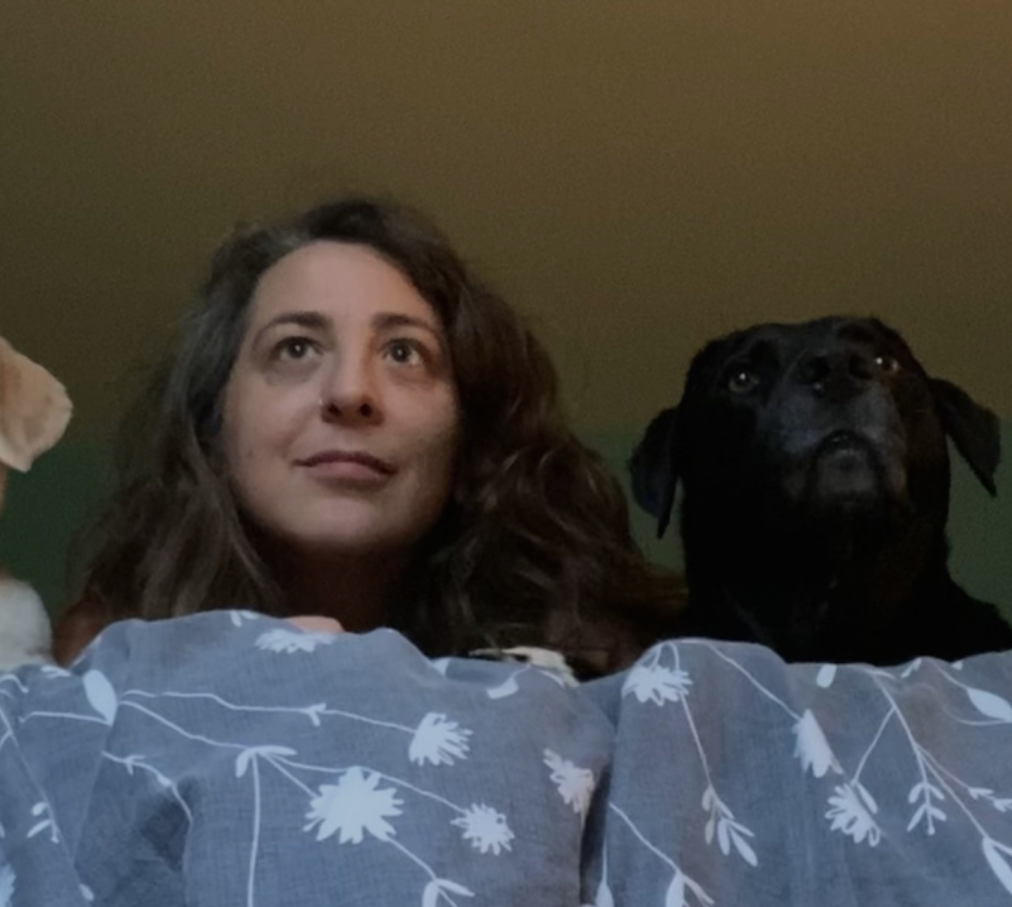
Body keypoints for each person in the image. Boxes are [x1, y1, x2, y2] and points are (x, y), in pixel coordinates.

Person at [54, 196, 682, 676]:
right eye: (295, 348)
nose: (351, 392)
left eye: (404, 353)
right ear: (214, 424)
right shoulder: (104, 664)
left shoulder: (604, 673)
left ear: (469, 437)